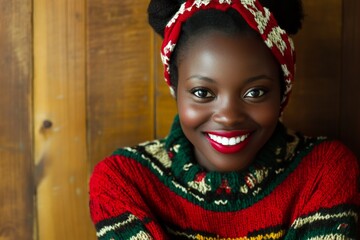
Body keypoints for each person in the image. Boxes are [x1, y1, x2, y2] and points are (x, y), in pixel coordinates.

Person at [89, 0, 359, 239]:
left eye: (255, 92)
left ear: (282, 93)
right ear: (175, 90)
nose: (229, 117)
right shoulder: (124, 181)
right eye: (202, 92)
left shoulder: (323, 172)